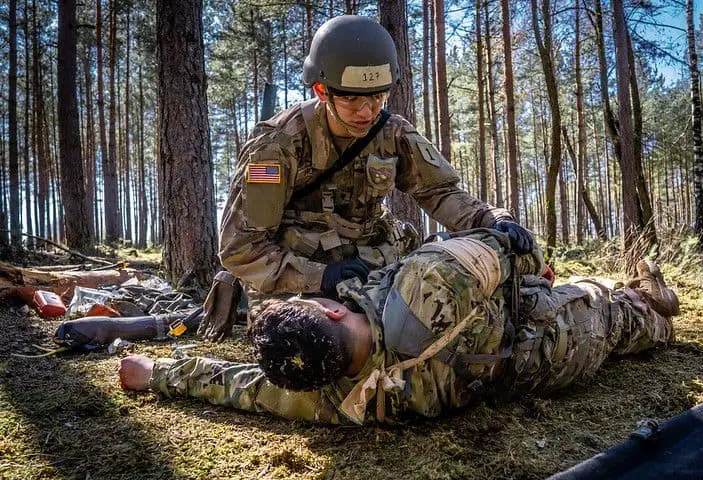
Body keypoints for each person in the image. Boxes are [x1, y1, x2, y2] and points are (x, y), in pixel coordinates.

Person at [120, 229, 679, 425]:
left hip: (535, 373)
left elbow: (239, 387)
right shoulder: (425, 285)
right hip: (558, 333)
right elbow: (516, 249)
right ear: (333, 310)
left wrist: (158, 374)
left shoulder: (333, 399)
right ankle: (654, 303)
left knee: (608, 318)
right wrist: (528, 267)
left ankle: (644, 307)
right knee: (617, 308)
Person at [213, 15, 533, 314]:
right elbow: (241, 249)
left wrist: (492, 219)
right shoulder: (278, 145)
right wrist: (320, 277)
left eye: (378, 97)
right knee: (319, 344)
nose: (367, 112)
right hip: (298, 279)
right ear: (322, 91)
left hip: (372, 265)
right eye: (352, 99)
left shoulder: (392, 132)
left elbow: (441, 193)